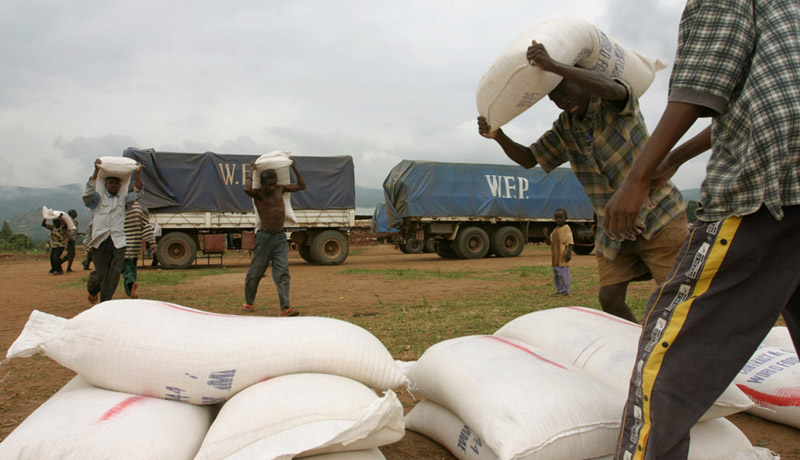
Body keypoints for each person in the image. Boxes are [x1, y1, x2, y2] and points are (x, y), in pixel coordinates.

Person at [603, 1, 800, 458]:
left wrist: (637, 177)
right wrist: (677, 157)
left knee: (669, 356)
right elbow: (766, 90)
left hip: (769, 182)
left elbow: (705, 81)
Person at [477, 40, 687, 323]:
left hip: (658, 216)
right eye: (555, 99)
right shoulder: (566, 127)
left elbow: (610, 87)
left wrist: (552, 65)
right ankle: (642, 345)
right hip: (614, 228)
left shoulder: (617, 102)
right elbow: (529, 158)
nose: (562, 101)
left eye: (565, 90)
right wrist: (497, 135)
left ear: (582, 79)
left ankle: (686, 351)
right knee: (610, 298)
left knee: (677, 298)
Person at [243, 159, 306, 316]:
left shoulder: (280, 189)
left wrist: (294, 168)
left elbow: (302, 186)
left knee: (282, 272)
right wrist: (251, 170)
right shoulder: (257, 193)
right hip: (264, 237)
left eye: (273, 183)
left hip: (279, 236)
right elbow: (246, 189)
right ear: (262, 183)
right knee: (255, 273)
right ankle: (249, 302)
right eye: (268, 184)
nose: (271, 187)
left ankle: (285, 308)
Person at [83, 159, 143, 304]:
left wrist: (138, 173)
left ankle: (105, 303)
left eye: (117, 184)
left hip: (118, 242)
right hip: (100, 241)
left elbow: (138, 193)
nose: (114, 185)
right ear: (106, 185)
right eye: (111, 183)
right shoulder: (98, 200)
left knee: (114, 274)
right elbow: (89, 192)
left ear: (120, 186)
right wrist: (96, 170)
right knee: (101, 274)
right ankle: (92, 290)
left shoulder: (124, 201)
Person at [122, 201, 156, 299]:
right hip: (135, 246)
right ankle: (133, 285)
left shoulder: (120, 207)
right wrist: (153, 243)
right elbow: (147, 227)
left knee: (126, 268)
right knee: (132, 266)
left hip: (122, 245)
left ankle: (131, 285)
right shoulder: (138, 208)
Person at [543, 208, 573, 296]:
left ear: (566, 218)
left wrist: (569, 253)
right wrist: (545, 235)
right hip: (555, 257)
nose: (558, 219)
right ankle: (559, 290)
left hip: (563, 256)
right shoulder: (555, 230)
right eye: (556, 218)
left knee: (563, 274)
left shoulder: (566, 228)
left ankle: (565, 291)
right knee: (556, 275)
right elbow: (551, 242)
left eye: (561, 217)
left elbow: (570, 242)